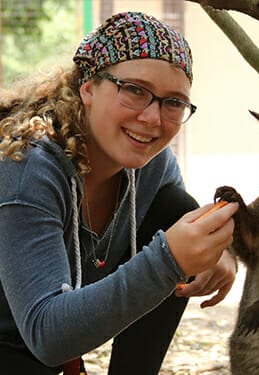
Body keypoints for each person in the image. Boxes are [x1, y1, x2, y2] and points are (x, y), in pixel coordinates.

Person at [0, 10, 239, 374]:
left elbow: (180, 220)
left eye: (173, 102)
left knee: (177, 207)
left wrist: (214, 249)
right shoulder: (28, 166)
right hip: (18, 342)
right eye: (134, 91)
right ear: (88, 88)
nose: (153, 119)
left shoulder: (150, 164)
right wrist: (170, 260)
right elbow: (48, 337)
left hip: (44, 351)